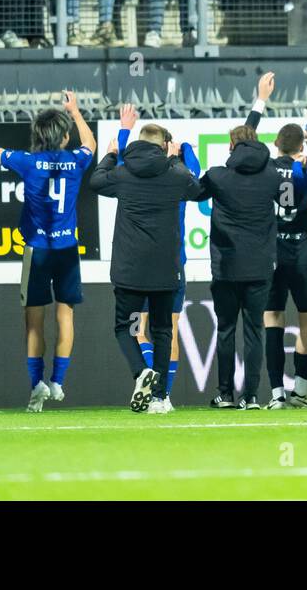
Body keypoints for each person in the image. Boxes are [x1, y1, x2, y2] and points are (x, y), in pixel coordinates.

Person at [0, 91, 97, 411]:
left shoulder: (28, 161)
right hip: (67, 250)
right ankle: (58, 382)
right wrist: (76, 111)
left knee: (33, 321)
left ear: (38, 136)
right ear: (64, 136)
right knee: (65, 316)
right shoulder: (76, 160)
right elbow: (91, 145)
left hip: (37, 250)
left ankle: (36, 384)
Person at [90, 120, 203, 412]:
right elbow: (198, 187)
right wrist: (177, 158)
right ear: (164, 146)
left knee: (126, 328)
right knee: (164, 331)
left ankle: (141, 371)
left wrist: (111, 154)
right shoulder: (175, 174)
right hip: (166, 269)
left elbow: (96, 181)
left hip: (130, 270)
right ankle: (160, 397)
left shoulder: (123, 172)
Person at [195, 100, 284, 412]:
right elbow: (288, 202)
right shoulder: (273, 175)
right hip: (261, 267)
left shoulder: (219, 176)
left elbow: (193, 192)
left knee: (226, 330)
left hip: (226, 267)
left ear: (231, 147)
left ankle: (225, 394)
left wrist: (188, 158)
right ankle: (252, 396)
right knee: (254, 331)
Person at [265, 123, 307, 409]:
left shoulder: (264, 170)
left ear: (276, 144)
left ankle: (277, 394)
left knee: (272, 318)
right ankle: (302, 391)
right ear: (301, 147)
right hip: (302, 255)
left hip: (272, 255)